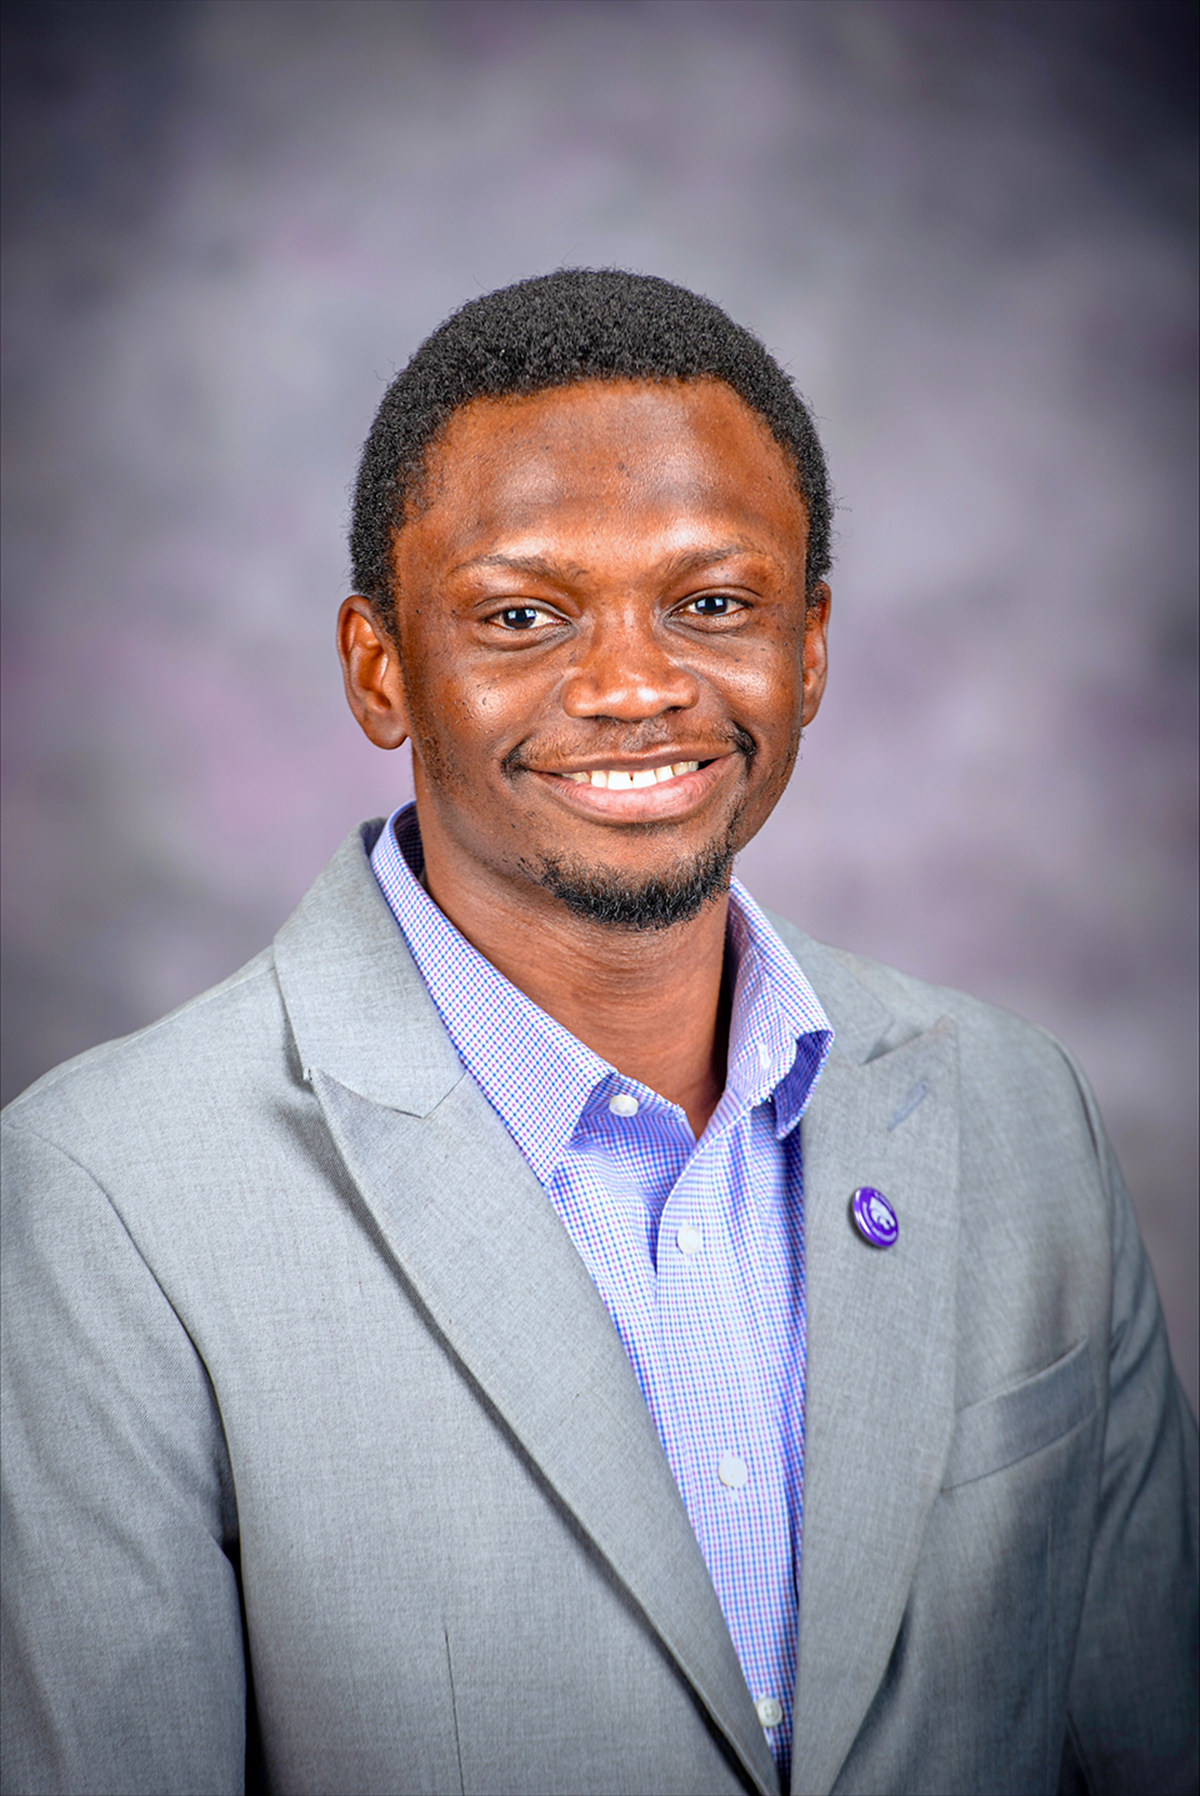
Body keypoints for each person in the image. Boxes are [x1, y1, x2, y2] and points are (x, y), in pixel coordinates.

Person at [1, 270, 1195, 1796]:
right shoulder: (108, 1198)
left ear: (810, 648)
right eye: (522, 615)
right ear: (380, 668)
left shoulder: (1020, 1117)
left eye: (714, 605)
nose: (635, 686)